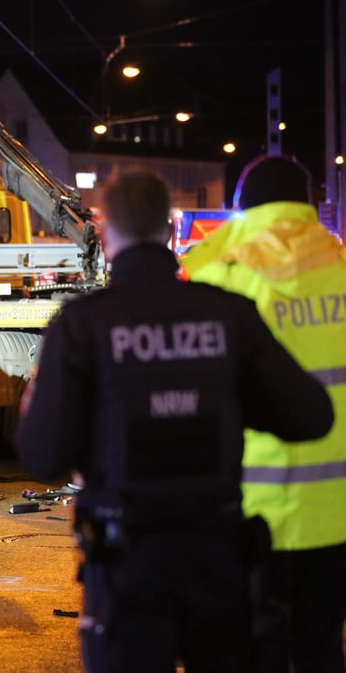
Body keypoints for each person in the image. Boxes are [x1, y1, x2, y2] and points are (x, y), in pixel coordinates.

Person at [14, 170, 333, 672]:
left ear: (102, 231)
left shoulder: (82, 325)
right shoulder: (229, 314)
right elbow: (311, 417)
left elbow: (42, 456)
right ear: (169, 229)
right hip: (217, 558)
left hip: (126, 564)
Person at [180, 154, 346, 672]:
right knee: (322, 647)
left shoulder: (221, 275)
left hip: (254, 510)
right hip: (338, 511)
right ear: (309, 206)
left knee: (256, 648)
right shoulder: (341, 268)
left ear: (240, 208)